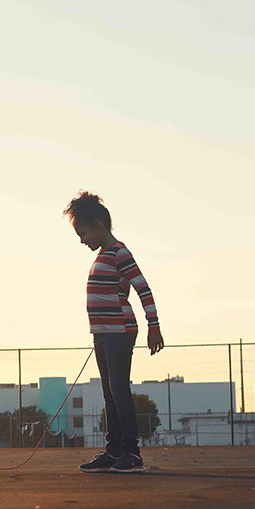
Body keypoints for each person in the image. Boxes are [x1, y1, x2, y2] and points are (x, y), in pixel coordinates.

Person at [63, 191, 163, 474]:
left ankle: (132, 453)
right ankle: (115, 450)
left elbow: (143, 288)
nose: (82, 240)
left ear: (99, 225)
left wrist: (154, 326)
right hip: (103, 334)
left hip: (119, 332)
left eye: (83, 233)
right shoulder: (103, 256)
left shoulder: (120, 252)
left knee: (119, 391)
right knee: (109, 393)